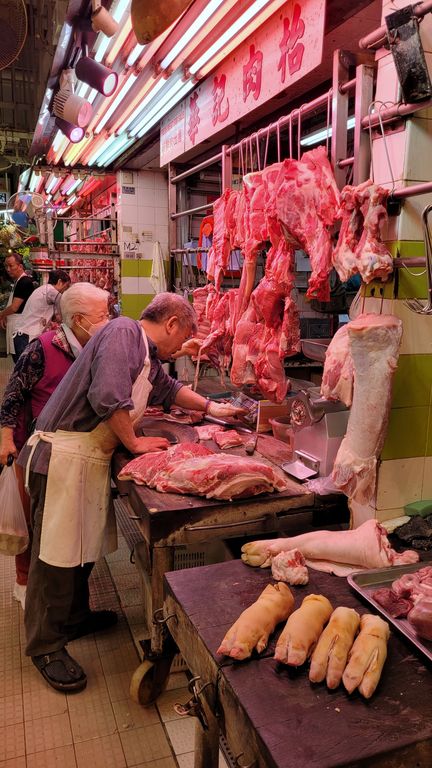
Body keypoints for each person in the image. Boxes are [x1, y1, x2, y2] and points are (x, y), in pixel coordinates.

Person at [19, 292, 244, 693]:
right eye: (184, 337)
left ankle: (74, 617)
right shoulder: (124, 331)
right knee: (53, 556)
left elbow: (170, 389)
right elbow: (106, 395)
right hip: (62, 457)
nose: (182, 348)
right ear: (172, 324)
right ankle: (45, 646)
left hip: (85, 457)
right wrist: (136, 444)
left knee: (79, 549)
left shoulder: (145, 356)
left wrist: (214, 408)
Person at [0, 283, 110, 609]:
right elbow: (13, 394)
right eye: (101, 316)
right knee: (31, 525)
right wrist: (6, 438)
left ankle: (70, 608)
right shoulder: (42, 349)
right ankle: (27, 589)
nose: (108, 320)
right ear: (77, 320)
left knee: (63, 529)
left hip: (71, 451)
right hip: (32, 449)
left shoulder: (93, 348)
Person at [12, 269, 71, 359]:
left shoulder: (44, 290)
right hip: (26, 337)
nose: (64, 291)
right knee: (26, 369)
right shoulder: (51, 291)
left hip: (23, 335)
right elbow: (62, 304)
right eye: (66, 287)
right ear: (59, 282)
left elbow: (55, 316)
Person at [0, 253, 35, 362]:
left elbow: (14, 307)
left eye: (11, 266)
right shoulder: (18, 281)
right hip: (17, 328)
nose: (8, 269)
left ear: (20, 266)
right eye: (6, 266)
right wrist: (5, 315)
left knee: (21, 363)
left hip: (21, 331)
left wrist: (1, 314)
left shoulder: (24, 282)